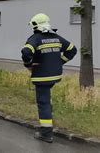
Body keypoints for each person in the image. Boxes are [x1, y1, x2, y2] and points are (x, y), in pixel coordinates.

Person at [21, 13, 77, 143]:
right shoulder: (56, 37)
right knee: (47, 100)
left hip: (42, 77)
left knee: (43, 103)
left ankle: (46, 134)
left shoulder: (35, 38)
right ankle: (48, 122)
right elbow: (72, 50)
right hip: (55, 75)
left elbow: (26, 52)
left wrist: (28, 65)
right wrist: (60, 62)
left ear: (35, 26)